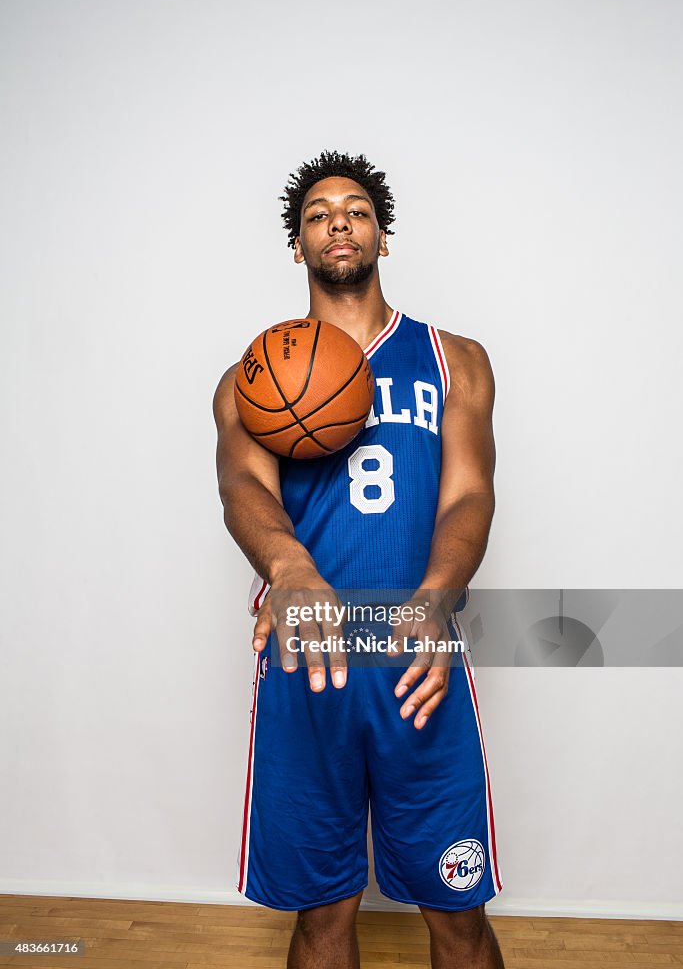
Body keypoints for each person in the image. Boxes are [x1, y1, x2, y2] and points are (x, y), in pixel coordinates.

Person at [213, 150, 505, 969]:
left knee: (455, 913)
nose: (336, 220)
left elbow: (468, 496)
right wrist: (290, 567)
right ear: (296, 245)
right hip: (309, 655)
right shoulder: (252, 375)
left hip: (419, 656)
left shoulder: (456, 359)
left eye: (354, 209)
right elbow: (241, 484)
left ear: (381, 235)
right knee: (322, 918)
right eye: (316, 214)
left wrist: (439, 596)